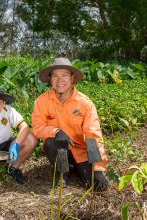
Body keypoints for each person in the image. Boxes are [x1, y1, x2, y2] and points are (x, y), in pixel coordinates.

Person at [32, 57, 109, 191]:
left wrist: (98, 167)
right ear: (50, 79)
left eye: (64, 75)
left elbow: (93, 136)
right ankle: (62, 173)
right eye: (55, 76)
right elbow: (38, 128)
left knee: (95, 186)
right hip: (59, 149)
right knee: (50, 142)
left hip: (81, 151)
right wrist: (55, 132)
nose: (59, 80)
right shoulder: (42, 101)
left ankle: (77, 168)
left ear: (72, 78)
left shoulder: (84, 103)